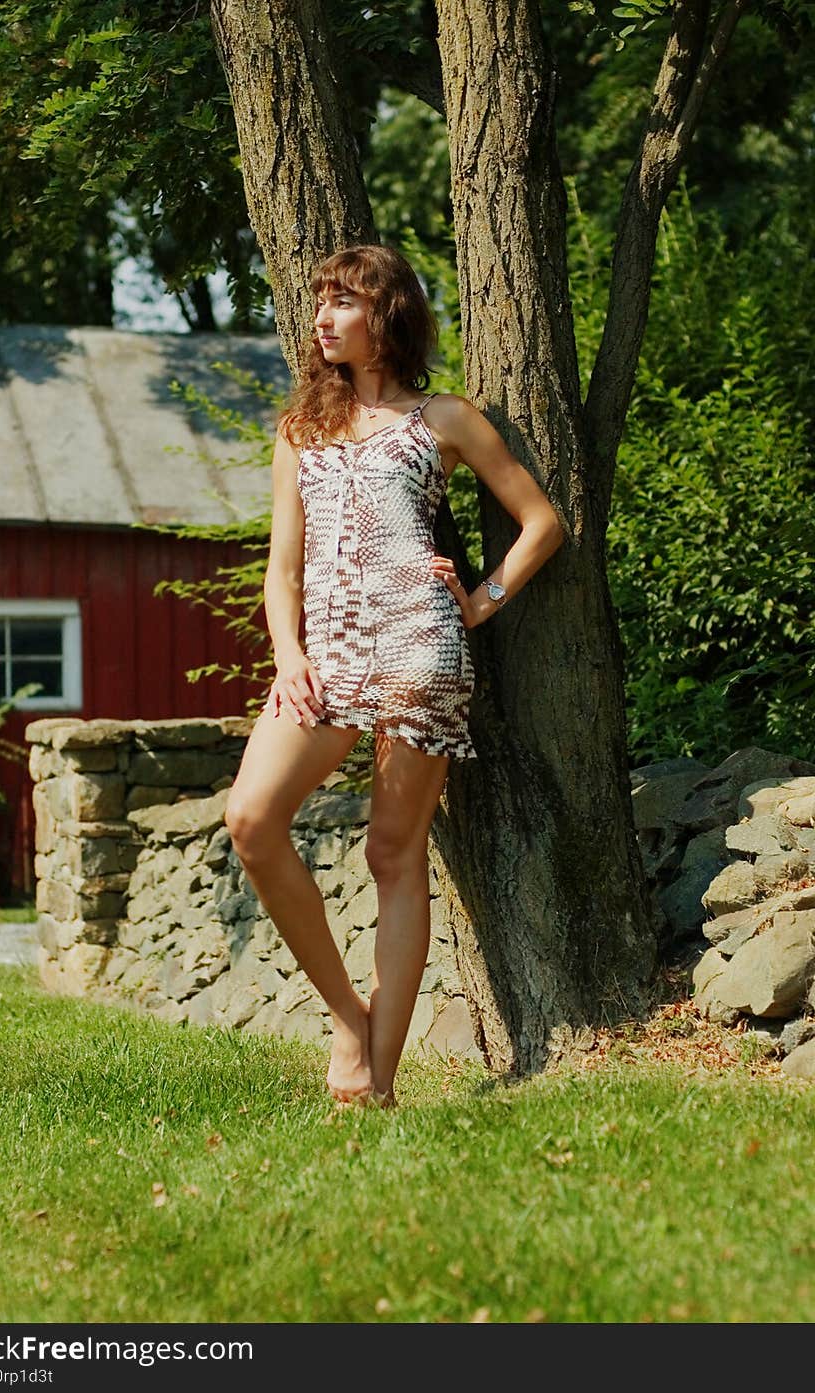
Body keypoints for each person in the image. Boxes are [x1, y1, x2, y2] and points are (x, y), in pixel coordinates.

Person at [224, 244, 564, 1108]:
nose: (322, 317)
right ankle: (347, 1017)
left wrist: (481, 600)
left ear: (389, 314)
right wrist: (288, 655)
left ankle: (377, 1077)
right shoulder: (301, 428)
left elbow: (540, 521)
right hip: (324, 655)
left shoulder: (443, 418)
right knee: (253, 819)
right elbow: (283, 572)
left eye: (342, 301)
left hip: (421, 644)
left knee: (393, 852)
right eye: (319, 303)